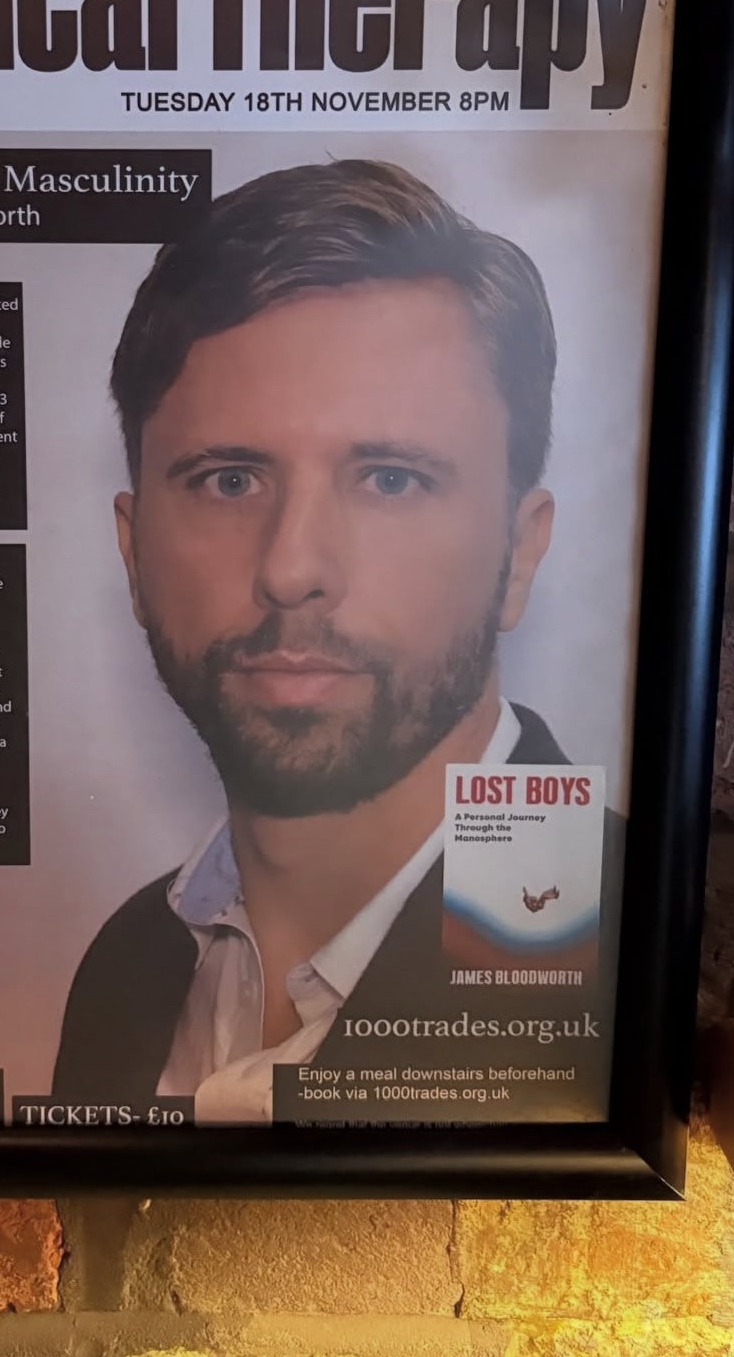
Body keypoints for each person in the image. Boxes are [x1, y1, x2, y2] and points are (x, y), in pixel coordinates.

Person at [53, 158, 622, 1121]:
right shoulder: (125, 968)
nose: (291, 568)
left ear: (520, 554)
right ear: (133, 550)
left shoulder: (626, 969)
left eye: (390, 479)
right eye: (230, 480)